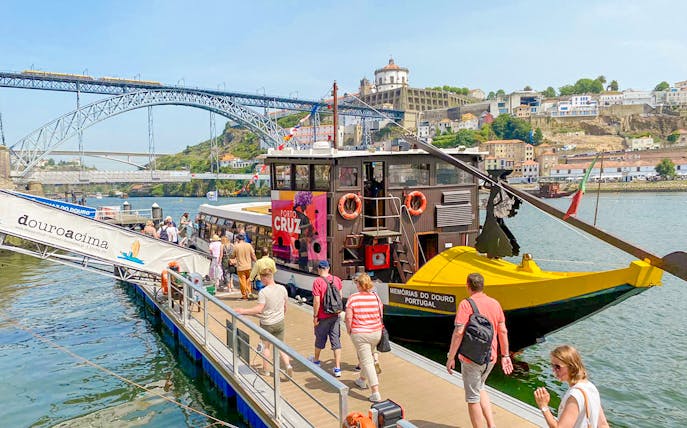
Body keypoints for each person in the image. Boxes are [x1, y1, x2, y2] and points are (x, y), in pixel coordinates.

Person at [446, 272, 513, 428]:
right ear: (483, 286)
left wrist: (451, 357)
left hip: (471, 359)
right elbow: (503, 331)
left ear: (468, 286)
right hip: (490, 357)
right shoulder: (495, 304)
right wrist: (505, 355)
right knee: (480, 387)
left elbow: (459, 332)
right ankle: (491, 425)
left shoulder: (465, 304)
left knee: (472, 398)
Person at [235, 268, 293, 378]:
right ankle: (288, 365)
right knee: (281, 345)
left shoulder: (263, 292)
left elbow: (259, 309)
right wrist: (281, 314)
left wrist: (243, 311)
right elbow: (285, 306)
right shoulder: (282, 289)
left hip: (267, 323)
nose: (261, 281)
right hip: (279, 321)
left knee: (266, 347)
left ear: (265, 278)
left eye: (261, 279)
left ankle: (266, 370)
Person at [534, 345, 610, 428]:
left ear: (572, 367)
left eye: (558, 367)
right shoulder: (591, 387)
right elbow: (603, 424)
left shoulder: (575, 395)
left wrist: (543, 406)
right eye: (552, 365)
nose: (554, 370)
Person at [345, 273, 384, 402]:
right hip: (376, 332)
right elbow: (381, 314)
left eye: (357, 283)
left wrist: (349, 330)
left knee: (367, 361)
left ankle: (375, 392)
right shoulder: (376, 297)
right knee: (367, 356)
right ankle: (362, 380)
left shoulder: (353, 298)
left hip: (360, 333)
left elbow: (348, 317)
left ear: (360, 285)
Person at [309, 260, 343, 377]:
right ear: (328, 268)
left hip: (323, 316)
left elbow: (317, 301)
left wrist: (315, 316)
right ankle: (337, 368)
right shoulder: (337, 280)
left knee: (320, 337)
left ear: (319, 269)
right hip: (335, 315)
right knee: (336, 340)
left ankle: (316, 360)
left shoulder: (317, 281)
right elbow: (340, 297)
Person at [233, 232, 257, 300]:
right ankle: (249, 292)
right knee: (248, 280)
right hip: (248, 266)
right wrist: (256, 261)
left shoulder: (236, 246)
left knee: (242, 281)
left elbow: (233, 256)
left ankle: (244, 295)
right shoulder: (249, 245)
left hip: (240, 267)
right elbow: (253, 255)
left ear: (238, 240)